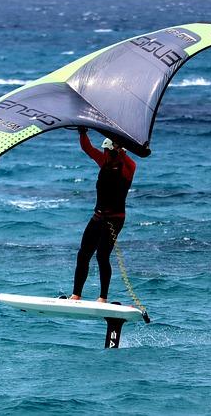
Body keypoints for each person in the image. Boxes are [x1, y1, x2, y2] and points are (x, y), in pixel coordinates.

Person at [70, 127, 136, 303]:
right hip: (98, 217)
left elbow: (128, 161)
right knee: (83, 254)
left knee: (102, 255)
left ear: (115, 151)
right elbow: (88, 149)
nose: (104, 153)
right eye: (105, 150)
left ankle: (103, 297)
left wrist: (120, 147)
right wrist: (82, 133)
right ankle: (76, 294)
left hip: (115, 219)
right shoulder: (104, 162)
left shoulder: (127, 168)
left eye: (107, 150)